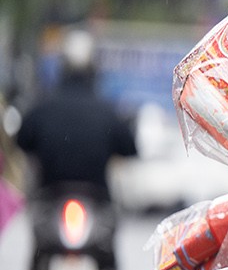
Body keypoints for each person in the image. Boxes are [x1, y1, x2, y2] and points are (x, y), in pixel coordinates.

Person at [15, 29, 137, 198]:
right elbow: (129, 147)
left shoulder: (42, 109)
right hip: (95, 199)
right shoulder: (107, 112)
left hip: (50, 197)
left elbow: (22, 141)